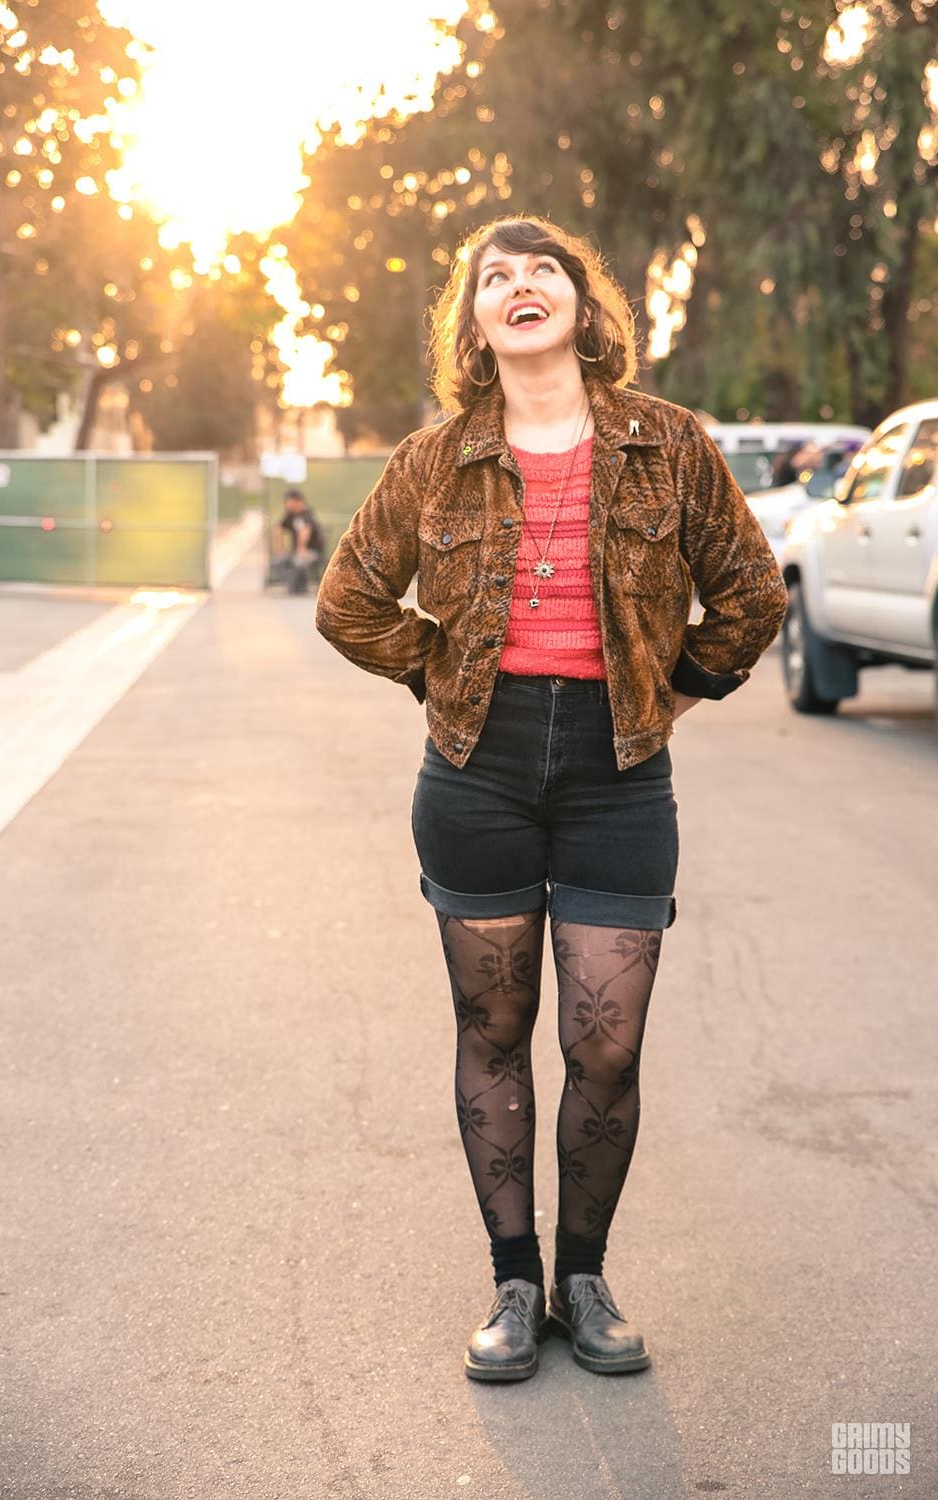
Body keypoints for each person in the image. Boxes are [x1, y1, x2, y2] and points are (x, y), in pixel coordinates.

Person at [315, 215, 788, 1383]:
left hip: (617, 780)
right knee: (492, 1031)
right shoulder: (434, 458)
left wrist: (671, 693)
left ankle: (586, 1275)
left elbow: (752, 592)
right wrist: (442, 673)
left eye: (542, 271)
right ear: (474, 323)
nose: (518, 286)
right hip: (475, 773)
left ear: (582, 305)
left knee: (605, 1044)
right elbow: (348, 600)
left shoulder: (666, 444)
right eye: (495, 277)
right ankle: (515, 1283)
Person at [268, 488, 325, 594]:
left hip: (313, 552)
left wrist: (301, 549)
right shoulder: (290, 515)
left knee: (299, 562)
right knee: (277, 562)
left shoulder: (307, 514)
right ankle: (293, 585)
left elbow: (305, 531)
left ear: (296, 501)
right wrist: (280, 549)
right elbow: (277, 529)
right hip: (295, 552)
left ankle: (301, 588)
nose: (287, 504)